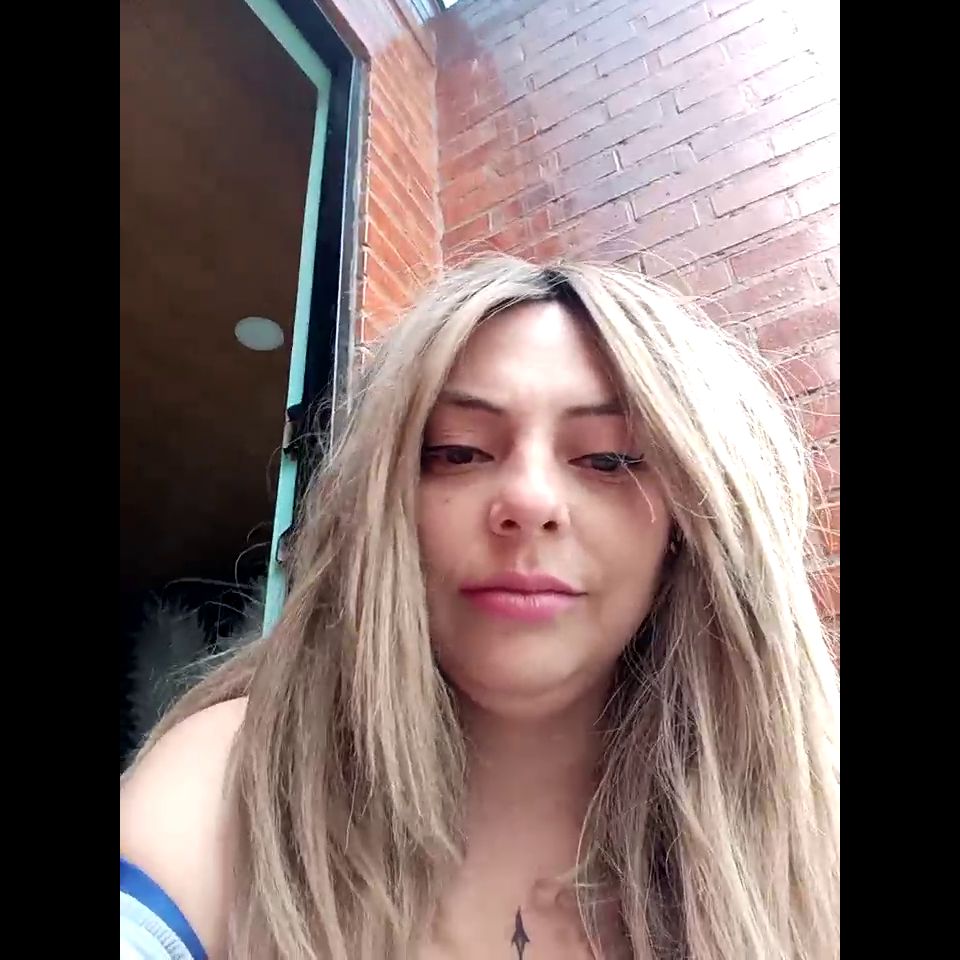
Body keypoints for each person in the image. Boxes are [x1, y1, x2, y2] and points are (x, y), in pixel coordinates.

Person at [120, 256, 840, 960]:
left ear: (690, 525)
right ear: (387, 505)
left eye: (608, 458)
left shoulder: (812, 829)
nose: (528, 500)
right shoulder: (235, 774)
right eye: (458, 452)